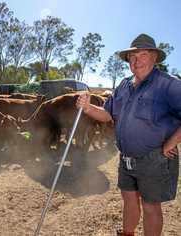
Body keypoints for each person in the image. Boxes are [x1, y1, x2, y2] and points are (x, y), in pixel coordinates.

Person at [77, 34, 181, 236]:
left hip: (154, 158)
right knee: (129, 199)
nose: (136, 61)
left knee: (151, 207)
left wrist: (172, 141)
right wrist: (88, 108)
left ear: (154, 58)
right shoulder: (123, 86)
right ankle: (127, 233)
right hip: (126, 158)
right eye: (132, 57)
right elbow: (108, 114)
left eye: (142, 55)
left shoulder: (168, 84)